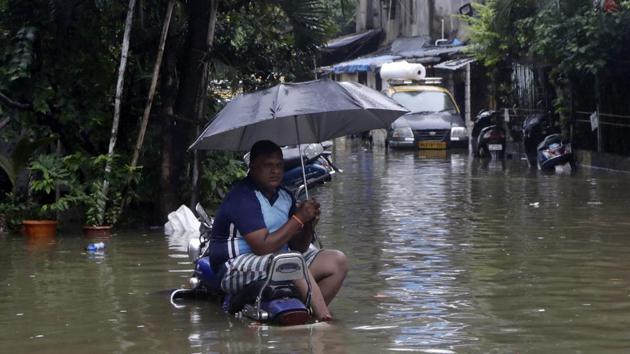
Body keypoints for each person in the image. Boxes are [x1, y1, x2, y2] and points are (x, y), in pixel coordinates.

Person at [210, 140, 348, 321]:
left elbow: (298, 247)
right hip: (233, 266)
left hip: (278, 260)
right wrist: (297, 218)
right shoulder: (242, 196)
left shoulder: (285, 196)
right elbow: (262, 247)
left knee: (337, 261)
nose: (275, 171)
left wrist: (307, 224)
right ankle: (324, 319)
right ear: (252, 167)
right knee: (292, 262)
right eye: (268, 165)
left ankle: (305, 316)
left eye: (279, 165)